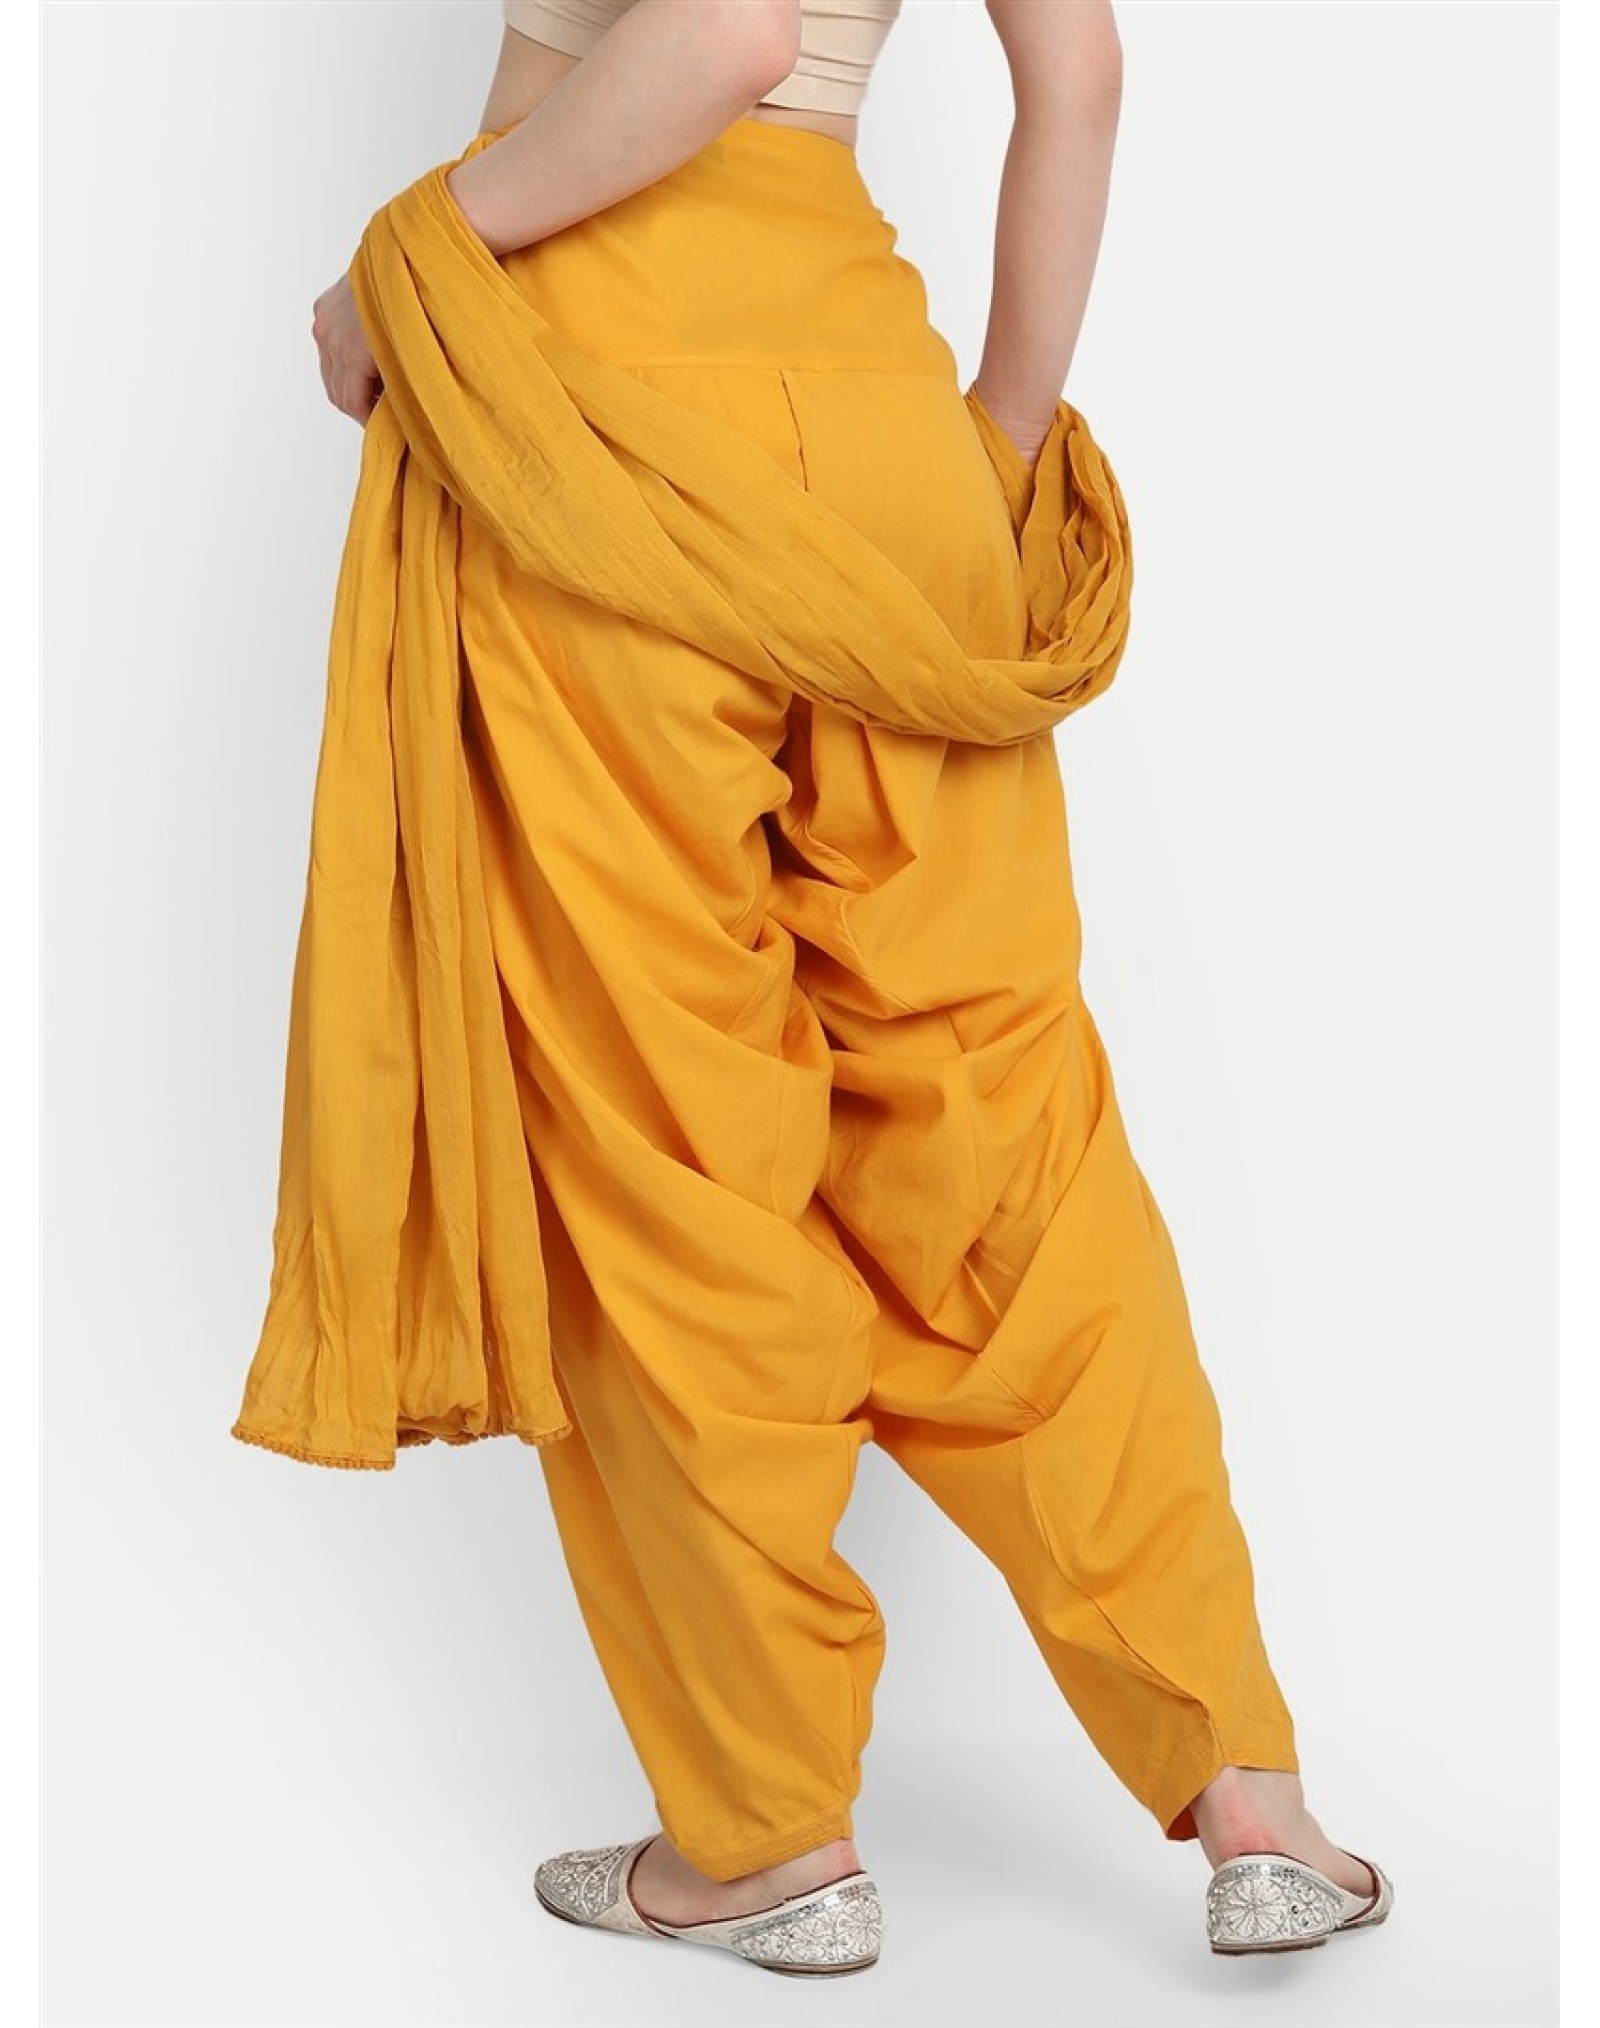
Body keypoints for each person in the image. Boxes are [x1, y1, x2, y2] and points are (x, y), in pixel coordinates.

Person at [262, 0, 1394, 1977]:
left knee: (670, 1150)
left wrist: (412, 260)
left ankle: (769, 1837)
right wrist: (1000, 442)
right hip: (881, 429)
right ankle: (1244, 1792)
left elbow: (721, 31)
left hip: (605, 432)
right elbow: (1080, 73)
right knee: (1004, 1136)